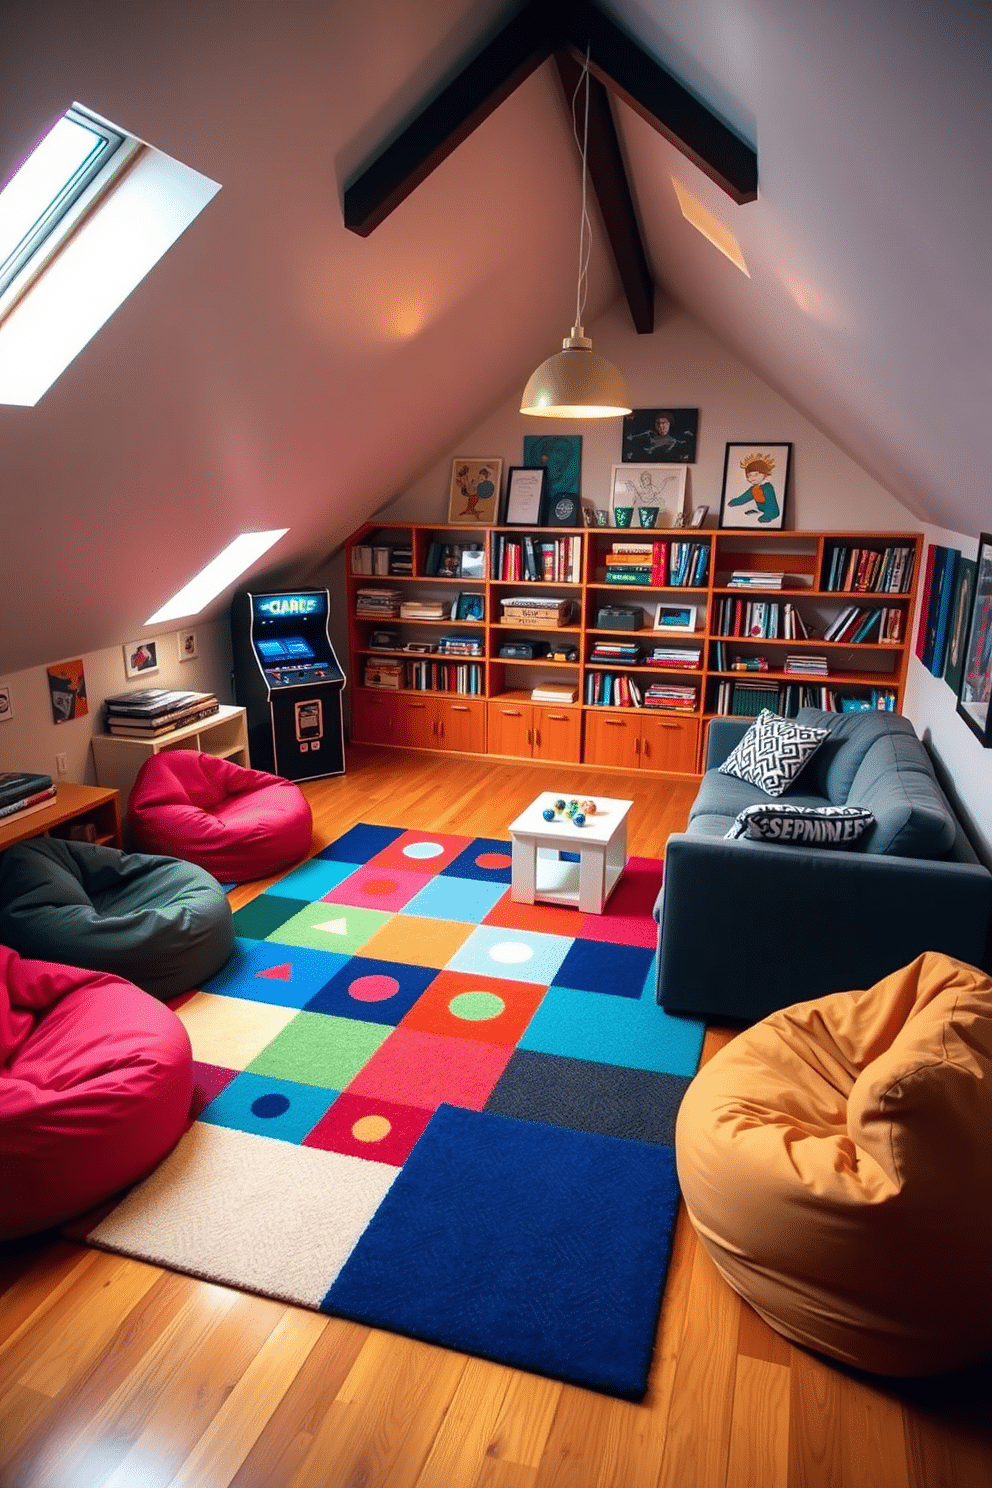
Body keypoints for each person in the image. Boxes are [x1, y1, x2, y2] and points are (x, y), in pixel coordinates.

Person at [727, 453, 780, 525]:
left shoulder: (767, 487)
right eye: (749, 475)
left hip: (772, 512)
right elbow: (745, 497)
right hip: (760, 509)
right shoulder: (754, 488)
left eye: (756, 474)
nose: (752, 478)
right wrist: (734, 502)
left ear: (764, 474)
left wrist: (767, 516)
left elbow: (771, 503)